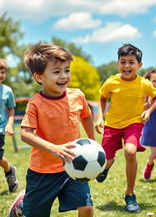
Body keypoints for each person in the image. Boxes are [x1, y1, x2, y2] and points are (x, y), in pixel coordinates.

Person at [8, 42, 95, 217]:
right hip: (42, 172)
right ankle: (21, 206)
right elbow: (25, 134)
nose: (64, 76)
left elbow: (86, 116)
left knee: (86, 207)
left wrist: (92, 144)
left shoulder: (77, 95)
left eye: (67, 70)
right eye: (56, 72)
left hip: (73, 166)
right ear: (39, 77)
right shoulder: (35, 104)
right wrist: (54, 148)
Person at [95, 44, 156, 213]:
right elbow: (102, 99)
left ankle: (130, 194)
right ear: (118, 64)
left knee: (130, 152)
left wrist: (148, 110)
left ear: (139, 65)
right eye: (123, 62)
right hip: (112, 124)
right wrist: (99, 117)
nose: (127, 66)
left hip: (134, 122)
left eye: (131, 62)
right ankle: (106, 168)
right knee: (105, 161)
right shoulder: (111, 81)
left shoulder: (144, 84)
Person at [0, 56, 19, 199]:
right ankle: (10, 171)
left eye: (2, 72)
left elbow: (11, 109)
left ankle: (8, 171)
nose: (0, 75)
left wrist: (10, 124)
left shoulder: (7, 91)